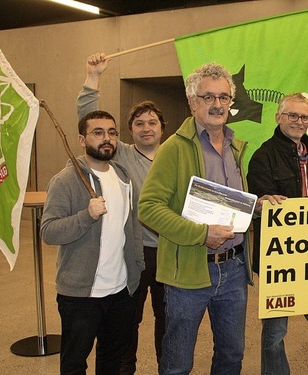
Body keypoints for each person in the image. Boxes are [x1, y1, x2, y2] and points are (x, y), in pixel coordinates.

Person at [138, 62, 252, 374]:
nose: (217, 104)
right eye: (208, 97)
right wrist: (201, 234)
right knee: (178, 364)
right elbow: (148, 207)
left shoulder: (236, 148)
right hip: (189, 271)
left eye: (224, 98)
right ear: (192, 102)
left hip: (234, 270)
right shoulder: (174, 148)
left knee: (231, 357)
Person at [76, 53, 167, 374]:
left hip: (171, 252)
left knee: (169, 325)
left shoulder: (175, 157)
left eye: (152, 122)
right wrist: (93, 78)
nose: (146, 128)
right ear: (129, 131)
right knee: (126, 325)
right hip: (134, 252)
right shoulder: (121, 156)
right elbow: (90, 121)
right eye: (139, 123)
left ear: (162, 128)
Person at [41, 110, 144, 374]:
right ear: (81, 139)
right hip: (81, 294)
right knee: (74, 363)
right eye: (97, 133)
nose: (106, 138)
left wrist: (137, 266)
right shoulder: (65, 181)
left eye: (111, 132)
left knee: (111, 359)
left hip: (121, 290)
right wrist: (86, 216)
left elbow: (130, 227)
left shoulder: (123, 177)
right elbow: (49, 231)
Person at [248, 93, 308, 375]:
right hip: (280, 258)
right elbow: (255, 202)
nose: (299, 122)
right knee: (275, 330)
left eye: (304, 117)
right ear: (279, 117)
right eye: (293, 116)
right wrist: (263, 201)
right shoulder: (263, 155)